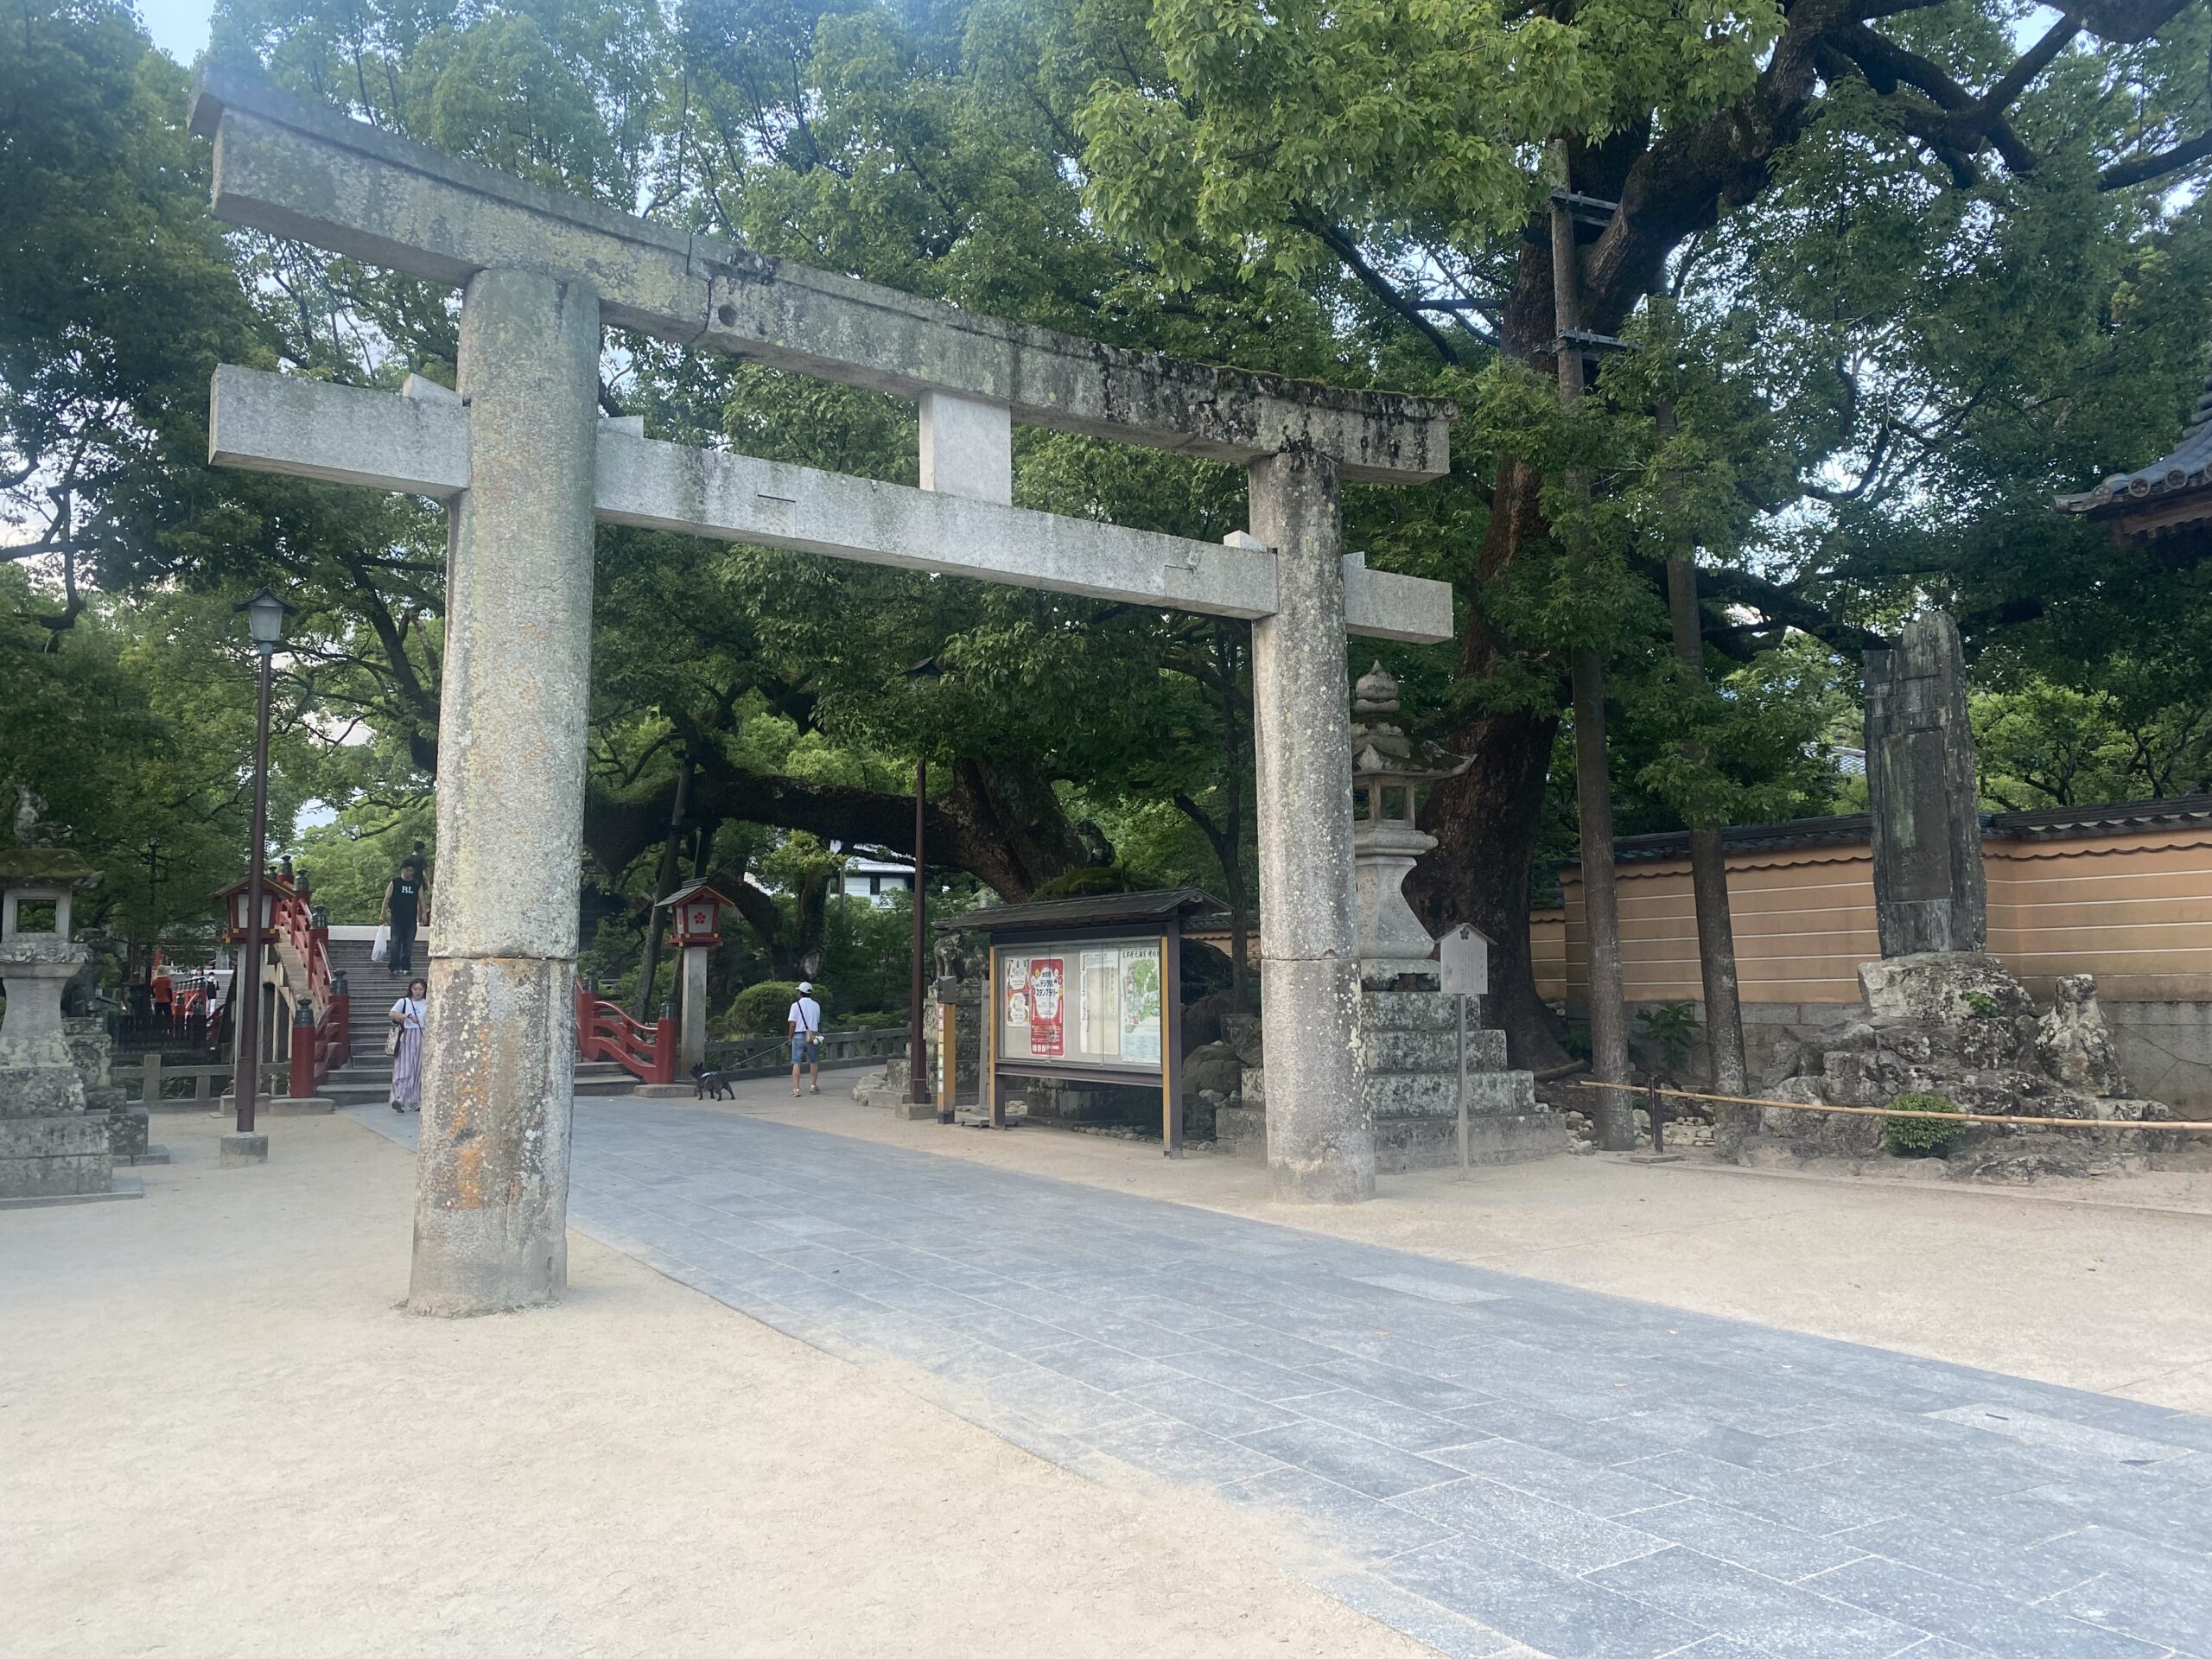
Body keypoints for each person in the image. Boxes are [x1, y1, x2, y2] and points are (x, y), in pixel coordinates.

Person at [378, 856, 430, 976]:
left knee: (408, 944)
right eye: (407, 870)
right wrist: (383, 914)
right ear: (402, 870)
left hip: (410, 919)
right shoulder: (395, 882)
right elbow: (387, 898)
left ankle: (406, 966)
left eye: (411, 871)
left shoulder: (416, 884)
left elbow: (421, 899)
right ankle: (394, 967)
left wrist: (424, 913)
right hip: (397, 918)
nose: (409, 873)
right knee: (395, 943)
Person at [389, 976, 427, 1114]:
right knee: (404, 1068)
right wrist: (407, 1016)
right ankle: (399, 1098)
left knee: (417, 1069)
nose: (418, 992)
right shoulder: (404, 1001)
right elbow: (392, 1013)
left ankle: (413, 1100)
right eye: (415, 989)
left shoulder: (427, 1003)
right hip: (407, 1035)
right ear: (411, 989)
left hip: (422, 1035)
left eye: (420, 989)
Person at [788, 980, 823, 1096]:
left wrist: (790, 1036)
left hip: (798, 1035)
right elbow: (817, 1022)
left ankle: (796, 1089)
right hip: (812, 1036)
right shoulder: (816, 1005)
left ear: (800, 992)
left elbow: (793, 1024)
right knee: (813, 1061)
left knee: (796, 1062)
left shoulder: (795, 1005)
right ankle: (813, 1085)